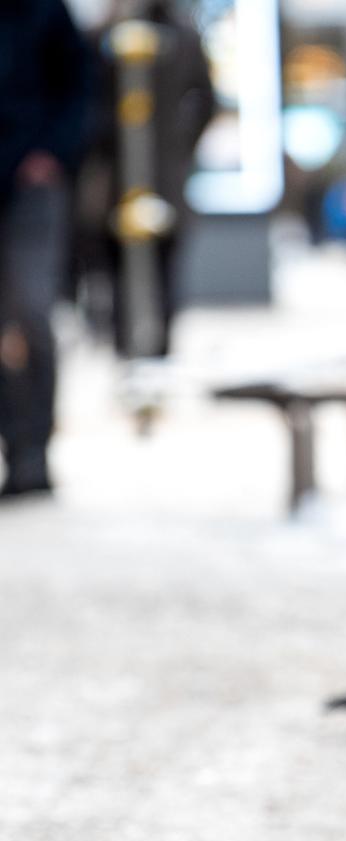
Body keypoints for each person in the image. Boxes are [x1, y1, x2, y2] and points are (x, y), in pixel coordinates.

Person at [0, 0, 93, 499]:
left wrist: (52, 153)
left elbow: (79, 86)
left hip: (31, 183)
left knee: (31, 311)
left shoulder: (42, 11)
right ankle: (14, 447)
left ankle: (34, 453)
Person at [88, 0, 214, 361]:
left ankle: (155, 354)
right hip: (120, 174)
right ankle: (129, 352)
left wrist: (179, 144)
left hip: (161, 174)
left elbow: (204, 99)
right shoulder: (106, 36)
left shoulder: (182, 39)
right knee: (120, 274)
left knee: (163, 272)